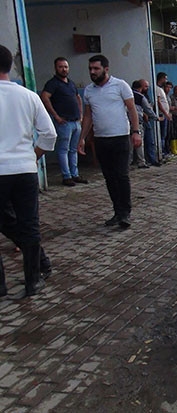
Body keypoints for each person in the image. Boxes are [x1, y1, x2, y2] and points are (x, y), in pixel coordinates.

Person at [0, 44, 57, 297]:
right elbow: (49, 134)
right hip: (24, 170)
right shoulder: (28, 96)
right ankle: (33, 281)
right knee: (29, 224)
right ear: (10, 67)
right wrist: (32, 156)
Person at [77, 54, 140, 229]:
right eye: (90, 69)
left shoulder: (120, 85)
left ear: (106, 69)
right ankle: (117, 212)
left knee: (121, 175)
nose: (92, 72)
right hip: (101, 139)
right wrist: (82, 138)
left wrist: (136, 132)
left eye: (96, 68)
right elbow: (88, 116)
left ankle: (125, 213)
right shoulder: (89, 91)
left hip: (120, 137)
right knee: (109, 177)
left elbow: (132, 110)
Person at [40, 57, 87, 187]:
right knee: (63, 149)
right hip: (64, 122)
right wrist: (55, 116)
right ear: (56, 68)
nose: (64, 69)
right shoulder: (52, 83)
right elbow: (44, 97)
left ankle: (75, 174)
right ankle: (66, 176)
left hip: (75, 122)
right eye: (61, 67)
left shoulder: (71, 83)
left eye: (65, 67)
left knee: (73, 150)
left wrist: (80, 114)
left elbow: (78, 97)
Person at [131, 79, 159, 168]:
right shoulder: (140, 97)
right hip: (138, 121)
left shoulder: (127, 95)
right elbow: (148, 109)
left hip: (126, 121)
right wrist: (156, 118)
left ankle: (128, 162)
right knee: (139, 143)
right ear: (140, 88)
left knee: (129, 143)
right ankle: (141, 162)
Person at [155, 72, 171, 157]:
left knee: (165, 134)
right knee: (162, 134)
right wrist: (165, 113)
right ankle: (162, 152)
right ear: (161, 78)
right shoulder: (157, 89)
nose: (166, 80)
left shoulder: (161, 89)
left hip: (165, 114)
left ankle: (164, 151)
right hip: (162, 114)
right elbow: (158, 102)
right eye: (165, 78)